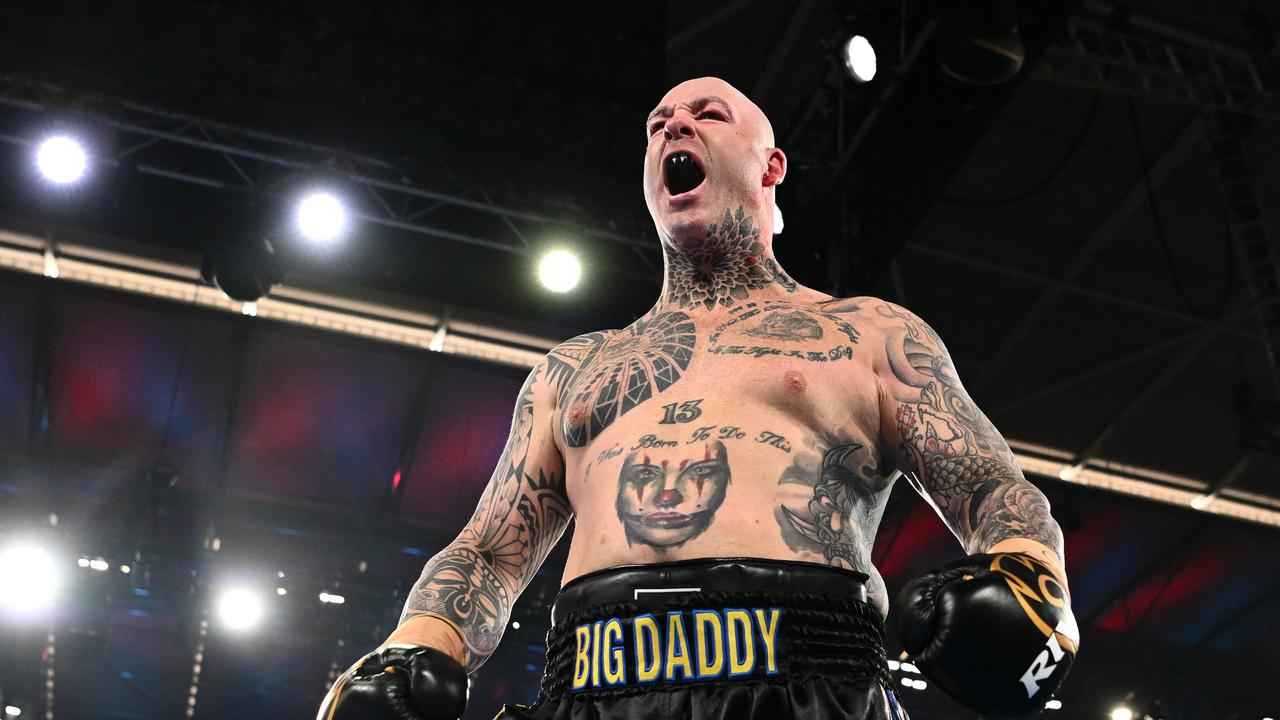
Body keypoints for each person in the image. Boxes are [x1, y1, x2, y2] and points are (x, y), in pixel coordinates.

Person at [317, 77, 1078, 720]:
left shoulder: (867, 335)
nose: (673, 123)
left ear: (771, 164)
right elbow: (488, 553)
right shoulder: (573, 371)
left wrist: (1031, 579)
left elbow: (988, 487)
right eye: (657, 125)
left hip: (804, 679)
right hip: (592, 683)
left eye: (707, 114)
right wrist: (412, 649)